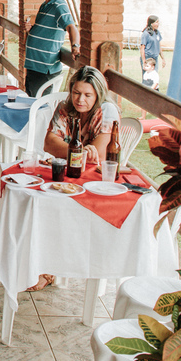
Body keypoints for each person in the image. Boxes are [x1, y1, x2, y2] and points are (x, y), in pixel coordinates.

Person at [27, 65, 120, 292]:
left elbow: (96, 155)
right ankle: (42, 263)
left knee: (62, 206)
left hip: (99, 181)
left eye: (88, 95)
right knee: (41, 201)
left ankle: (51, 268)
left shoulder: (107, 111)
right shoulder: (64, 107)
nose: (80, 100)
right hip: (70, 175)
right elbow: (48, 143)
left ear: (98, 94)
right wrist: (79, 151)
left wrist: (68, 150)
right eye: (76, 93)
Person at [24, 0, 80, 98]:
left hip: (44, 69)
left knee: (40, 108)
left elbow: (72, 27)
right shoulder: (46, 5)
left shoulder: (59, 6)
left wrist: (75, 46)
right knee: (31, 102)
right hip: (35, 66)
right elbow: (46, 30)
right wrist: (31, 29)